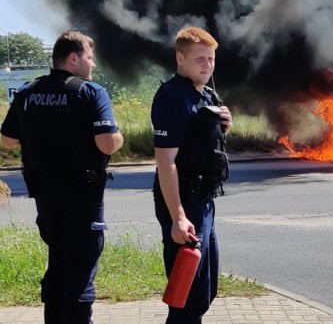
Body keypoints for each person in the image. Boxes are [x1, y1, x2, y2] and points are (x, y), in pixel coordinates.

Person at [0, 30, 123, 324]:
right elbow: (106, 143)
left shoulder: (27, 93)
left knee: (58, 266)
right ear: (73, 58)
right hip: (83, 198)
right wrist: (118, 139)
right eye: (89, 58)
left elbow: (7, 139)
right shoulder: (91, 92)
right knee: (80, 275)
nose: (92, 65)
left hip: (46, 198)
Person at [152, 26, 233, 323]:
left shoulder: (206, 93)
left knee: (205, 291)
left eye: (211, 59)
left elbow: (203, 141)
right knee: (186, 297)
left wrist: (225, 124)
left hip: (205, 202)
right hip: (184, 202)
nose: (208, 65)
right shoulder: (173, 97)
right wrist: (178, 217)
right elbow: (166, 162)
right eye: (200, 59)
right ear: (180, 58)